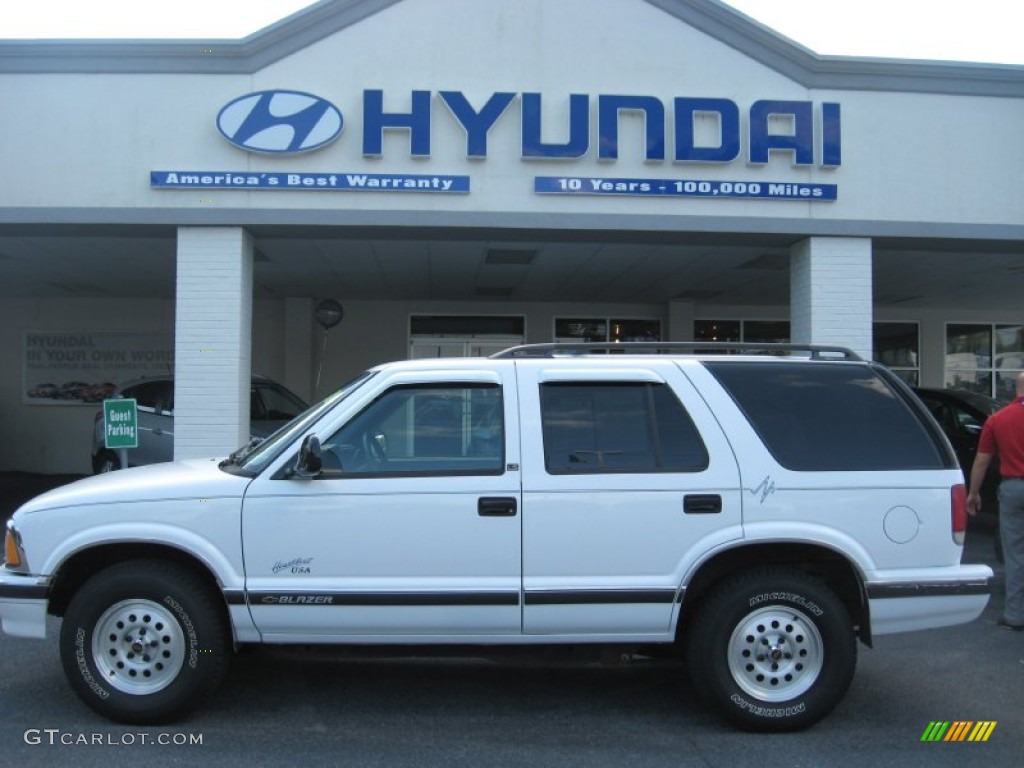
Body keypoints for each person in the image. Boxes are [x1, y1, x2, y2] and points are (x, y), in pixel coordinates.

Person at [968, 371, 1024, 631]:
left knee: (1015, 554)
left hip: (1013, 489)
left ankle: (1015, 615)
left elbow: (982, 460)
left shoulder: (998, 419)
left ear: (1016, 388)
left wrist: (973, 493)